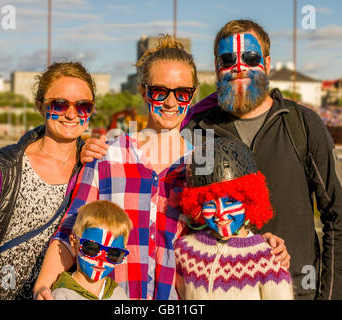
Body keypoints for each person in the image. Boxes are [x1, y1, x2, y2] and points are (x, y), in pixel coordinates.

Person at [35, 35, 290, 300]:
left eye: (181, 93)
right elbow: (70, 230)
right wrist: (44, 286)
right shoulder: (106, 158)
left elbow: (229, 231)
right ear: (144, 91)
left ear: (192, 96)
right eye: (160, 92)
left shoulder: (204, 165)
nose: (170, 103)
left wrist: (266, 245)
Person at [181, 19, 342, 300]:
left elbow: (337, 219)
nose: (239, 68)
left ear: (268, 63)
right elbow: (185, 215)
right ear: (216, 67)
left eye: (250, 58)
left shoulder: (303, 125)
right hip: (224, 291)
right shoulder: (198, 131)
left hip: (297, 291)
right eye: (228, 59)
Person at [0, 61, 96, 300]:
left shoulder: (93, 171)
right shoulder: (2, 167)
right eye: (60, 104)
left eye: (83, 106)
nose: (72, 114)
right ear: (40, 107)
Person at [175, 136, 293, 300]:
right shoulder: (183, 251)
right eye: (210, 204)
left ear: (249, 199)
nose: (221, 213)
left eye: (230, 202)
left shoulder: (269, 258)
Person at [51, 200, 131, 300]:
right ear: (74, 243)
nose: (101, 259)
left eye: (113, 253)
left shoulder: (119, 295)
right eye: (92, 248)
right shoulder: (60, 296)